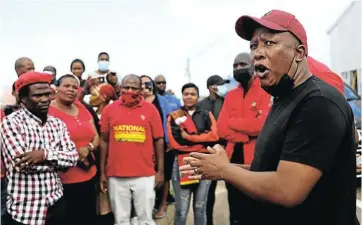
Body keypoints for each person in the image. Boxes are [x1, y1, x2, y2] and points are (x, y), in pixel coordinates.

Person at [180, 10, 357, 225]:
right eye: (254, 46)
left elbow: (287, 189)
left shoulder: (318, 102)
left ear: (299, 53)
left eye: (269, 43)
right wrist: (224, 168)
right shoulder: (283, 99)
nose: (257, 53)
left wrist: (225, 169)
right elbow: (267, 169)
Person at [1, 71, 79, 225]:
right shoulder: (10, 123)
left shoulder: (57, 124)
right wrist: (57, 161)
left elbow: (73, 158)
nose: (45, 99)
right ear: (23, 98)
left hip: (55, 203)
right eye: (37, 96)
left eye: (47, 94)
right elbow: (22, 165)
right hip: (25, 210)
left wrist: (43, 155)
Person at [99, 74, 164, 225]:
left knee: (145, 220)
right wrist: (102, 172)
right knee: (121, 220)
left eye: (133, 88)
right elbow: (104, 141)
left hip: (145, 174)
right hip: (116, 175)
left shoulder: (151, 110)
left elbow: (159, 140)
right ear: (120, 88)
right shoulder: (109, 110)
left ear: (140, 90)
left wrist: (160, 171)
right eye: (126, 88)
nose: (129, 91)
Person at [217, 52, 271, 225]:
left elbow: (263, 126)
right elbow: (221, 128)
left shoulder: (266, 90)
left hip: (257, 163)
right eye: (235, 66)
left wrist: (233, 123)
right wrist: (246, 135)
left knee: (258, 210)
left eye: (242, 64)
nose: (238, 68)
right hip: (232, 161)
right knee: (236, 211)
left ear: (253, 66)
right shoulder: (231, 95)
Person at [48, 74, 100, 225]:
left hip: (89, 175)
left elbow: (95, 136)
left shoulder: (81, 107)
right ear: (56, 89)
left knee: (88, 218)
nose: (71, 90)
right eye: (66, 86)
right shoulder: (48, 111)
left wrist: (88, 148)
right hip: (63, 181)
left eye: (74, 87)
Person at [167, 83, 219, 225]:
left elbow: (214, 136)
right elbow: (175, 143)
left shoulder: (207, 114)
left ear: (197, 96)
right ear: (182, 96)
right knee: (181, 210)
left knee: (200, 207)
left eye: (192, 94)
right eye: (186, 94)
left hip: (204, 163)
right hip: (182, 163)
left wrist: (190, 138)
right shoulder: (174, 116)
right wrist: (202, 142)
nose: (189, 97)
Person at [140, 75, 173, 219]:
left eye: (147, 83)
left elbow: (171, 121)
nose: (144, 86)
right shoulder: (137, 102)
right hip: (143, 146)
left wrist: (170, 141)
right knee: (145, 176)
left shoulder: (163, 101)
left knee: (164, 176)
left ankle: (163, 204)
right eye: (141, 83)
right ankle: (148, 206)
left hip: (164, 144)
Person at [197, 74, 229, 225]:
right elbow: (199, 129)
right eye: (219, 84)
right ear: (211, 87)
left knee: (234, 186)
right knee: (208, 191)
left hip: (227, 149)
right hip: (207, 150)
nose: (222, 87)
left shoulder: (226, 102)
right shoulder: (201, 105)